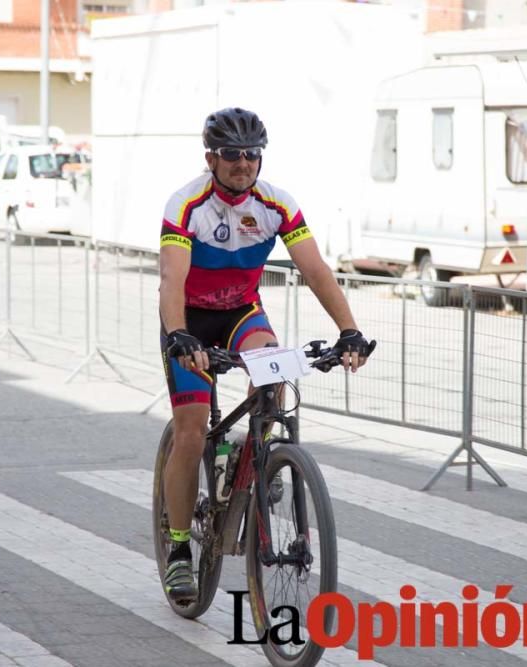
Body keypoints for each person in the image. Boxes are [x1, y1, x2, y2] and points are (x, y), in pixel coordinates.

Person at [158, 107, 374, 603]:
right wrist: (178, 335)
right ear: (211, 157)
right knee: (191, 429)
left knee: (274, 374)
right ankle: (177, 551)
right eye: (232, 154)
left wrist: (349, 331)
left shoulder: (277, 205)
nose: (243, 164)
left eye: (252, 155)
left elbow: (316, 270)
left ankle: (254, 457)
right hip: (190, 321)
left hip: (240, 314)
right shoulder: (186, 204)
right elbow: (172, 280)